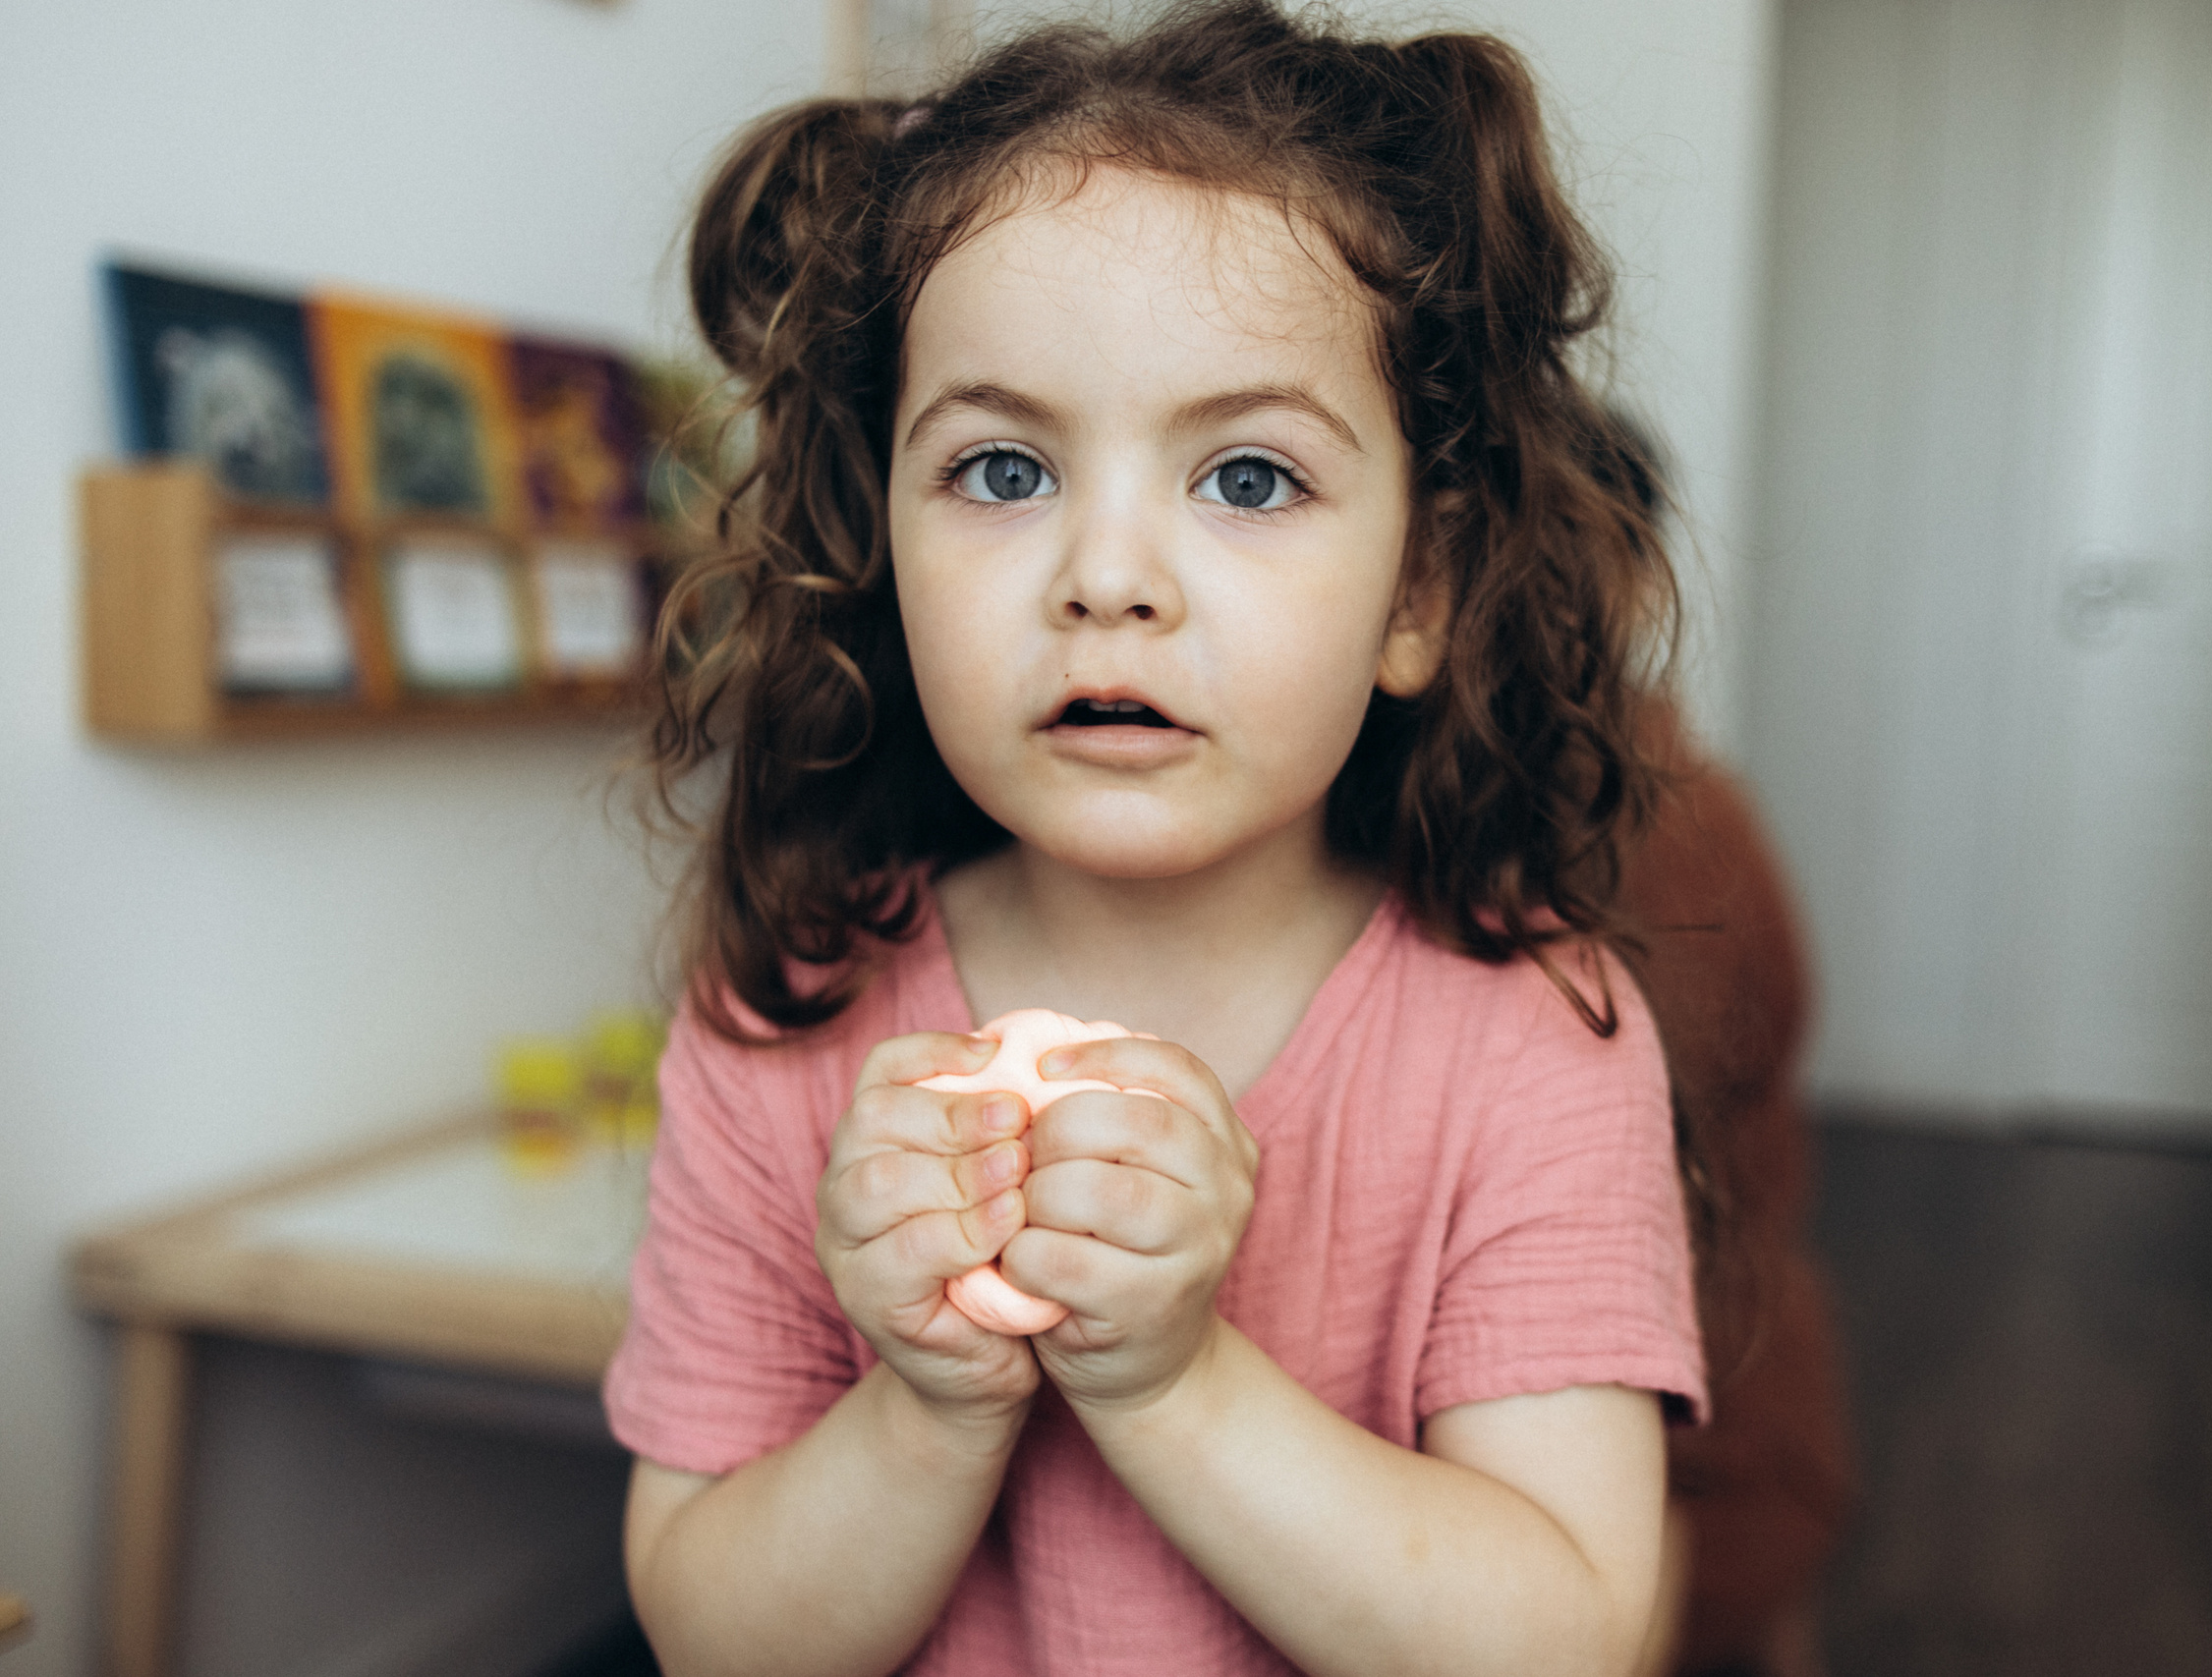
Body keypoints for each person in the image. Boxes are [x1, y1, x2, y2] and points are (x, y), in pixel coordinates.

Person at [603, 4, 1710, 1673]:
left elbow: (1562, 1647)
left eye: (1249, 479)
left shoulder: (1533, 1043)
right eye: (997, 468)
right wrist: (927, 1406)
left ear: (1419, 589)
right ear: (876, 549)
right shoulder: (789, 1016)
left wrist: (1177, 1384)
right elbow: (709, 1638)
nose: (1107, 574)